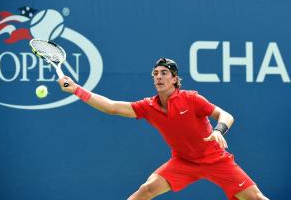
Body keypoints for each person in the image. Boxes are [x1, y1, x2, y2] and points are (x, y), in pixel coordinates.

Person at [58, 58, 269, 200]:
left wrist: (218, 130)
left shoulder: (191, 99)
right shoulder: (148, 106)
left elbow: (226, 115)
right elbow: (112, 107)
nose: (158, 77)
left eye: (164, 73)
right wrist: (76, 89)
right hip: (182, 162)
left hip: (216, 160)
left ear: (175, 80)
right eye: (156, 73)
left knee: (256, 198)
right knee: (145, 190)